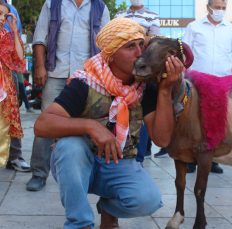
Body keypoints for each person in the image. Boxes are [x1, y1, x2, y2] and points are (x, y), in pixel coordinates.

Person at [34, 17, 183, 229]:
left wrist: (165, 90)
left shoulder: (144, 86)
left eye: (141, 44)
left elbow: (162, 138)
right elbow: (42, 125)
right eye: (130, 47)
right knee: (70, 147)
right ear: (111, 54)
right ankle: (79, 223)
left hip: (118, 163)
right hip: (77, 164)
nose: (140, 53)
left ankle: (108, 209)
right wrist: (90, 126)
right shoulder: (86, 82)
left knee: (148, 200)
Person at [26, 0, 110, 191]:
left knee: (86, 124)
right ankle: (39, 173)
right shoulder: (52, 4)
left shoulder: (100, 7)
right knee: (46, 122)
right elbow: (40, 38)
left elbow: (107, 45)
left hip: (87, 77)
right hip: (56, 73)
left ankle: (82, 175)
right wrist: (39, 66)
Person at [182, 0, 232, 173]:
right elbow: (185, 54)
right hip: (196, 82)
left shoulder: (230, 29)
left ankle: (213, 159)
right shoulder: (194, 27)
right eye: (217, 7)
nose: (220, 11)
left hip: (221, 84)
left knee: (216, 121)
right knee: (193, 119)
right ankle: (190, 159)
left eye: (223, 8)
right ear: (208, 7)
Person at [116, 0, 160, 162]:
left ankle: (138, 157)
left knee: (141, 114)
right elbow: (115, 39)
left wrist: (128, 37)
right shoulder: (119, 15)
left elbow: (154, 40)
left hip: (143, 71)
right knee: (120, 109)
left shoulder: (152, 16)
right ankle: (120, 151)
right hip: (122, 71)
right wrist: (142, 36)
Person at [0, 0, 30, 172]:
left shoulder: (6, 34)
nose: (2, 18)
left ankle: (15, 157)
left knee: (10, 119)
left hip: (6, 83)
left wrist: (14, 28)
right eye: (0, 14)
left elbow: (19, 57)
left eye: (5, 15)